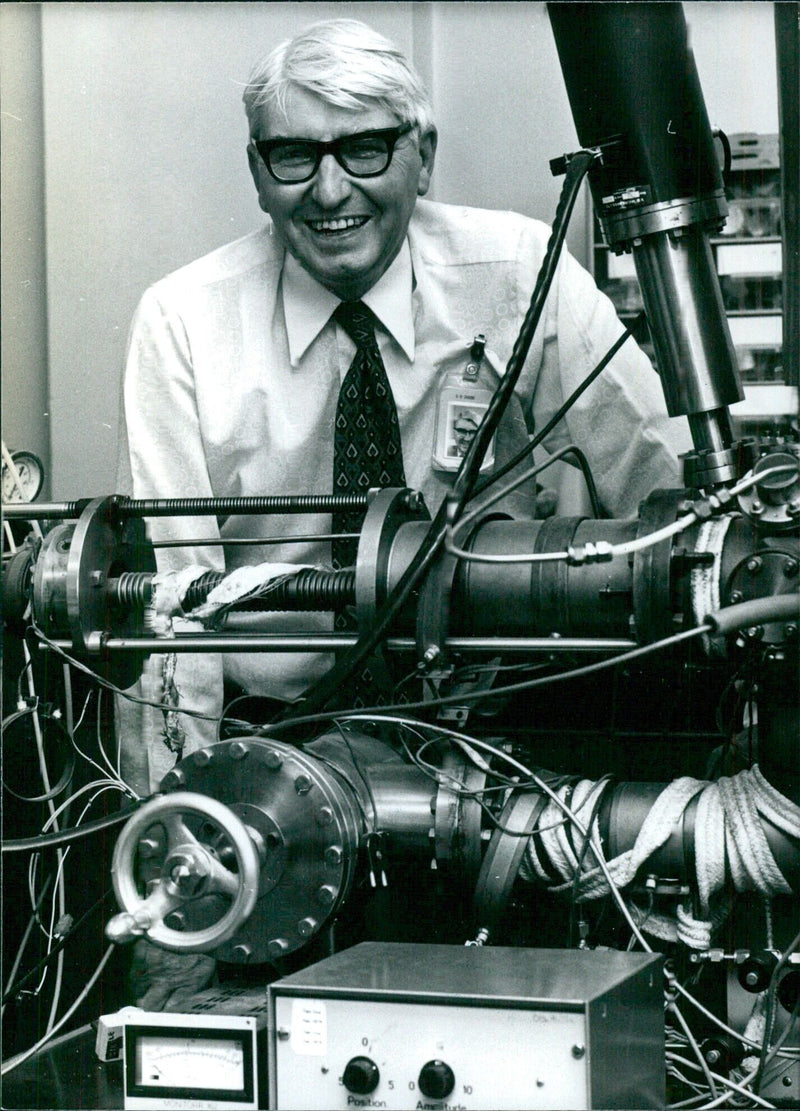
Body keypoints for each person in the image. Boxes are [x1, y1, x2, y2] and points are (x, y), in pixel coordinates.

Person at [116, 17, 691, 799]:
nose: (329, 192)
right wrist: (179, 822)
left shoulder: (523, 274)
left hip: (497, 727)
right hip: (273, 737)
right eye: (293, 155)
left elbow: (668, 509)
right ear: (257, 171)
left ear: (423, 156)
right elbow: (170, 612)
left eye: (364, 148)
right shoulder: (181, 321)